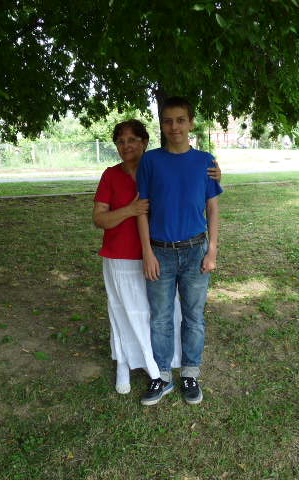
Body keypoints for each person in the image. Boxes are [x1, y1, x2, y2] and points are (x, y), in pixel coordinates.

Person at [93, 119, 220, 394]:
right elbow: (100, 219)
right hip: (125, 257)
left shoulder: (157, 165)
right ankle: (127, 365)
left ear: (145, 143)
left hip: (162, 254)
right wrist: (130, 210)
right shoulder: (112, 175)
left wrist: (213, 174)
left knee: (164, 315)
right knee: (125, 314)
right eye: (120, 141)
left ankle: (169, 368)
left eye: (132, 140)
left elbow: (192, 185)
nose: (126, 146)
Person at [137, 97, 223, 406]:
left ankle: (190, 373)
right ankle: (162, 376)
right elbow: (141, 210)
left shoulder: (205, 161)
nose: (174, 127)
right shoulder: (151, 161)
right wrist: (147, 253)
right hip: (160, 252)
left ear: (191, 123)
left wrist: (212, 250)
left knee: (193, 317)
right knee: (160, 318)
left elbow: (212, 209)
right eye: (168, 121)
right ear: (162, 125)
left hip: (195, 252)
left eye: (180, 120)